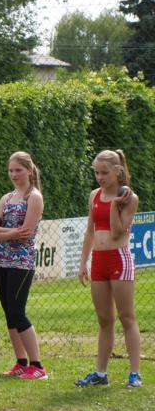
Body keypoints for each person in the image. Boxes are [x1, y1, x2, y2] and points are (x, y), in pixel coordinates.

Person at [76, 150, 142, 388]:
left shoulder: (129, 198)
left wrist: (114, 204)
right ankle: (100, 374)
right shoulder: (94, 195)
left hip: (119, 259)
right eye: (96, 172)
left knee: (126, 317)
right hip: (99, 260)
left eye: (104, 173)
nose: (99, 177)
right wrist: (83, 262)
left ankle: (135, 373)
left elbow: (116, 232)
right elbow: (90, 231)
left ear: (117, 171)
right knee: (105, 320)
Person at [0, 152, 47, 380]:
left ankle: (38, 366)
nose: (14, 174)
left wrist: (1, 231)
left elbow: (26, 234)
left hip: (22, 262)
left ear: (29, 171)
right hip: (1, 260)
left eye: (18, 170)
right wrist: (7, 232)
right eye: (11, 170)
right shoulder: (7, 198)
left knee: (17, 312)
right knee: (9, 314)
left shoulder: (34, 197)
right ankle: (21, 362)